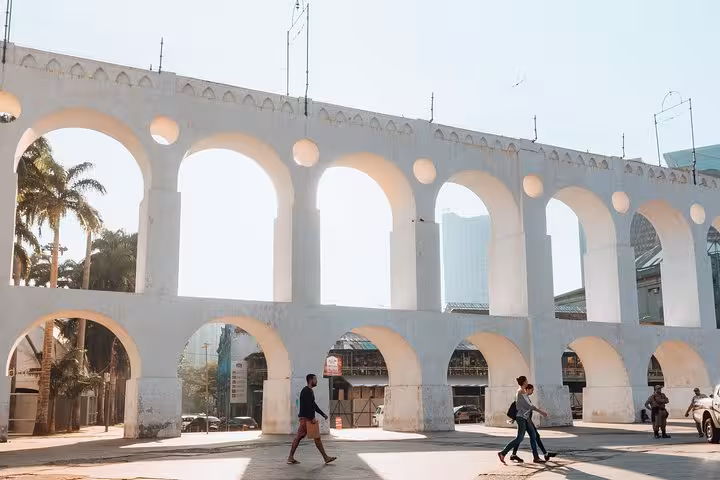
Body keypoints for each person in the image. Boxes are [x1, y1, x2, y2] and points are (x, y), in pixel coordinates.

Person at [287, 373, 337, 465]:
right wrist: (312, 417)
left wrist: (322, 414)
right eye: (315, 379)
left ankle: (290, 457)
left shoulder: (309, 391)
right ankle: (325, 458)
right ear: (311, 380)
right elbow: (308, 406)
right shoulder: (306, 391)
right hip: (307, 419)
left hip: (305, 419)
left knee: (299, 438)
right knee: (315, 438)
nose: (316, 381)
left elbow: (313, 405)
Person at [498, 376, 548, 465]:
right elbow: (530, 406)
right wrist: (542, 412)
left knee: (533, 436)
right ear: (524, 382)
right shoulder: (521, 392)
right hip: (521, 418)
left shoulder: (523, 392)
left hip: (525, 418)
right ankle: (503, 453)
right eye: (527, 381)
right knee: (520, 438)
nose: (528, 382)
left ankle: (536, 457)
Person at [510, 384, 557, 463]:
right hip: (525, 420)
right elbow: (529, 408)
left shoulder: (525, 397)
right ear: (527, 389)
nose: (533, 391)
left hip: (528, 420)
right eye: (532, 390)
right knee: (525, 437)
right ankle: (538, 456)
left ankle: (544, 454)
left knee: (530, 437)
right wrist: (542, 412)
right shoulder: (523, 397)